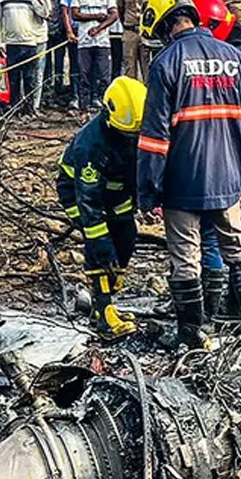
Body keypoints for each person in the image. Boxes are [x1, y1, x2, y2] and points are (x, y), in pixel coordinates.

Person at [137, 0, 241, 347]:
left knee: (185, 258)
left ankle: (192, 332)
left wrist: (148, 191)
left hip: (182, 181)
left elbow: (154, 138)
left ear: (164, 25)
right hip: (229, 175)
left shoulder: (165, 63)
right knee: (237, 248)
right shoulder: (235, 56)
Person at [55, 77, 148, 339]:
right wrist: (105, 250)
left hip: (116, 191)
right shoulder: (92, 145)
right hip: (79, 194)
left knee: (127, 235)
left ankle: (107, 301)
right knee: (98, 243)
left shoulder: (132, 128)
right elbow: (90, 206)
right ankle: (103, 310)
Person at [0, 0, 49, 113]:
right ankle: (15, 108)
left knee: (29, 78)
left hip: (30, 42)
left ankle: (30, 109)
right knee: (13, 79)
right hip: (12, 43)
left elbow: (44, 14)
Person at [71, 0, 119, 114]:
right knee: (85, 74)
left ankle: (103, 105)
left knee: (104, 75)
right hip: (84, 42)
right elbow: (75, 14)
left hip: (103, 41)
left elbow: (114, 14)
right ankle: (84, 106)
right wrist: (96, 15)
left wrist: (99, 27)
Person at [118, 0, 155, 80]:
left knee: (148, 68)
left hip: (146, 33)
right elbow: (120, 11)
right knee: (129, 69)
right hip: (130, 32)